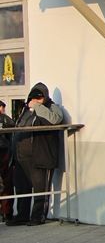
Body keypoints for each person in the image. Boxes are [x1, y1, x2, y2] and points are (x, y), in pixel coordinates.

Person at [9, 83, 64, 226]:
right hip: (21, 157)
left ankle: (38, 216)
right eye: (33, 97)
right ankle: (22, 215)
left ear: (45, 97)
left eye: (39, 97)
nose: (35, 100)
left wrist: (38, 107)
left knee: (40, 189)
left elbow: (55, 119)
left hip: (41, 156)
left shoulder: (51, 107)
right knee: (22, 188)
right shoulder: (25, 110)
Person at [0, 100, 15, 222]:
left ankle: (5, 212)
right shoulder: (5, 119)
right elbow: (13, 133)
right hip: (4, 153)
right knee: (7, 184)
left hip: (4, 152)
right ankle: (6, 212)